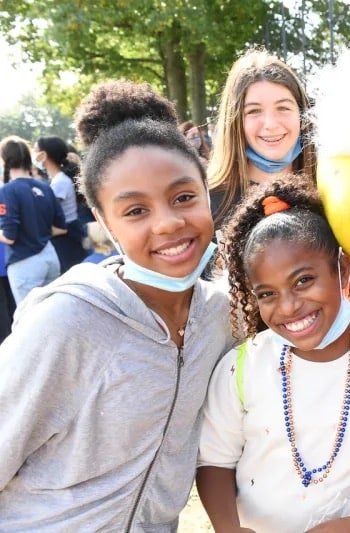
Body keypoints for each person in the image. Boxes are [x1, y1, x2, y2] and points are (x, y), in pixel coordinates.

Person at [0, 80, 234, 530]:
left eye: (184, 197)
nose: (168, 223)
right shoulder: (66, 324)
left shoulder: (220, 317)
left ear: (208, 194)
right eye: (135, 211)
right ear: (105, 222)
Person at [196, 176, 350, 532]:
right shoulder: (242, 369)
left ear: (341, 269)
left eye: (303, 281)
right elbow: (214, 461)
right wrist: (229, 528)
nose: (290, 307)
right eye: (267, 294)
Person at [207, 49, 315, 230]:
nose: (270, 124)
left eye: (283, 108)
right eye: (254, 111)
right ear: (236, 123)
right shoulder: (209, 201)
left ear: (302, 116)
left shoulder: (330, 191)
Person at [0, 136, 66, 304]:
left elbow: (9, 236)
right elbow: (61, 227)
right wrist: (35, 230)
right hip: (50, 256)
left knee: (29, 321)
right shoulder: (44, 186)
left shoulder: (8, 190)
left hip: (25, 262)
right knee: (54, 313)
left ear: (5, 159)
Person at [33, 135, 90, 272]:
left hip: (67, 235)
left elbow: (48, 211)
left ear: (44, 155)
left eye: (36, 151)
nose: (33, 155)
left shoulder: (60, 182)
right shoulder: (56, 180)